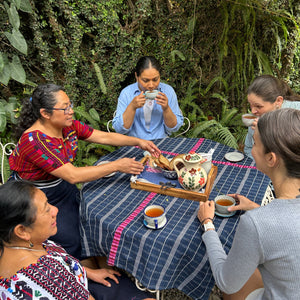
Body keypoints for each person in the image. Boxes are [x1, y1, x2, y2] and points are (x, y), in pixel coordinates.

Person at [9, 83, 160, 260]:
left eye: (70, 105)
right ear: (45, 113)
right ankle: (79, 272)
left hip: (60, 185)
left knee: (93, 216)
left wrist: (138, 141)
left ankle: (96, 258)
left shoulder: (67, 126)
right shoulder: (34, 141)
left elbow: (103, 136)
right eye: (65, 108)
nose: (71, 111)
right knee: (72, 239)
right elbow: (73, 175)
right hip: (33, 196)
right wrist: (117, 165)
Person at [198, 108, 300, 299]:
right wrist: (255, 207)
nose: (250, 149)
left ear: (271, 159)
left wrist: (207, 224)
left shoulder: (257, 223)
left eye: (254, 143)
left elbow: (226, 282)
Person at [0, 181, 155, 300]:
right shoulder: (49, 275)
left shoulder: (11, 243)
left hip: (77, 284)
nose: (55, 210)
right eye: (46, 209)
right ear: (22, 231)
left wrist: (86, 272)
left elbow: (61, 265)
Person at [112, 56, 184, 139]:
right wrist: (132, 107)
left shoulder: (168, 91)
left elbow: (175, 128)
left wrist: (166, 109)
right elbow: (119, 129)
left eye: (155, 79)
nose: (151, 85)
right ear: (137, 76)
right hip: (134, 143)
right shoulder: (127, 93)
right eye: (145, 80)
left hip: (162, 142)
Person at [244, 74, 300, 158]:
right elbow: (248, 149)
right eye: (250, 105)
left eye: (258, 106)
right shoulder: (257, 117)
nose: (253, 111)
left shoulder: (296, 114)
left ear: (278, 101)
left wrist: (265, 132)